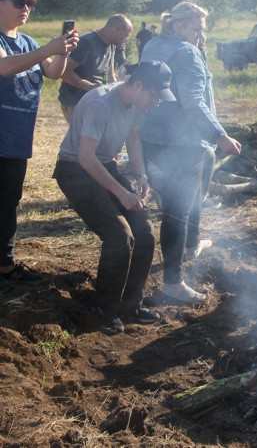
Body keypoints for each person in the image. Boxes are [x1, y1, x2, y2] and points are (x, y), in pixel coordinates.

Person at [53, 62, 176, 334]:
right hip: (75, 169)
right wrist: (122, 192)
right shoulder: (101, 103)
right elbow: (85, 157)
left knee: (145, 232)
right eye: (154, 96)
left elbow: (133, 138)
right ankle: (105, 307)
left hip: (104, 165)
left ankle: (131, 304)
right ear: (138, 85)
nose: (156, 103)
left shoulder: (137, 104)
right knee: (120, 236)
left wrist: (141, 176)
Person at [140, 2, 241, 303]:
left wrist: (201, 49)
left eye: (202, 30)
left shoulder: (154, 45)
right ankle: (173, 283)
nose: (200, 34)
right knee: (177, 211)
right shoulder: (187, 53)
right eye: (196, 28)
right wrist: (220, 135)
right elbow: (194, 101)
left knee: (179, 203)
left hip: (152, 137)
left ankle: (191, 244)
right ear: (179, 26)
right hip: (182, 142)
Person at [0, 0, 79, 287]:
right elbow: (5, 67)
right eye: (18, 1)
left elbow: (54, 73)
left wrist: (63, 51)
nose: (25, 8)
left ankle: (5, 268)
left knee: (8, 202)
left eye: (29, 3)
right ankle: (5, 270)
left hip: (16, 138)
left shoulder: (28, 42)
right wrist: (50, 46)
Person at [58, 14, 133, 123]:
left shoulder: (111, 44)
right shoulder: (87, 43)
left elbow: (111, 74)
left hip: (94, 101)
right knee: (83, 138)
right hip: (75, 101)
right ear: (118, 29)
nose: (126, 40)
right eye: (126, 35)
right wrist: (91, 87)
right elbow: (64, 71)